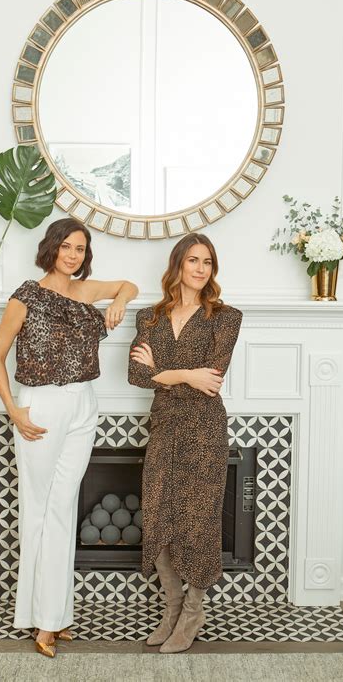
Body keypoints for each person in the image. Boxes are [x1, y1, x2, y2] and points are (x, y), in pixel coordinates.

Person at [0, 217, 138, 658]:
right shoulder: (26, 296)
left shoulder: (85, 291)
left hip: (83, 405)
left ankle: (54, 615)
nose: (73, 255)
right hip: (41, 404)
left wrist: (119, 303)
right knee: (38, 510)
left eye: (80, 249)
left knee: (62, 509)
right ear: (51, 248)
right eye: (67, 247)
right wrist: (13, 410)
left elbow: (128, 285)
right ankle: (41, 619)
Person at [128, 233, 242, 654]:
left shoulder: (225, 317)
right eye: (193, 260)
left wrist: (163, 371)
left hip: (205, 429)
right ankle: (172, 608)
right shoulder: (149, 318)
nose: (200, 269)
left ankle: (193, 611)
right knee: (159, 517)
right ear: (177, 264)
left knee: (199, 522)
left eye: (207, 262)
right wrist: (185, 374)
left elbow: (211, 380)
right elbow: (135, 375)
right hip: (165, 428)